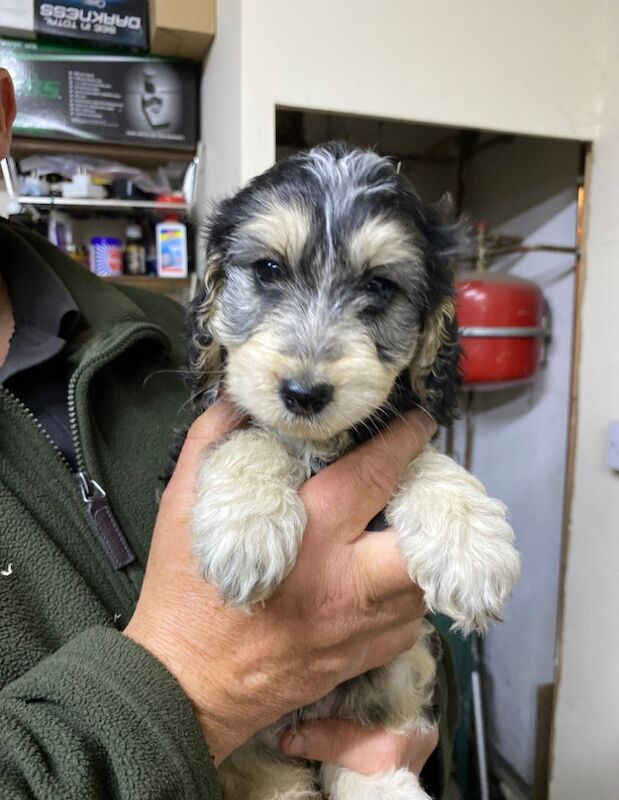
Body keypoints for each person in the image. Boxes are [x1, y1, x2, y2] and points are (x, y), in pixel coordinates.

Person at [0, 67, 457, 798]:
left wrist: (405, 741)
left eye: (374, 288)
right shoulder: (208, 346)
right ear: (216, 287)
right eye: (270, 270)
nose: (307, 365)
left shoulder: (147, 337)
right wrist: (193, 687)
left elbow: (394, 604)